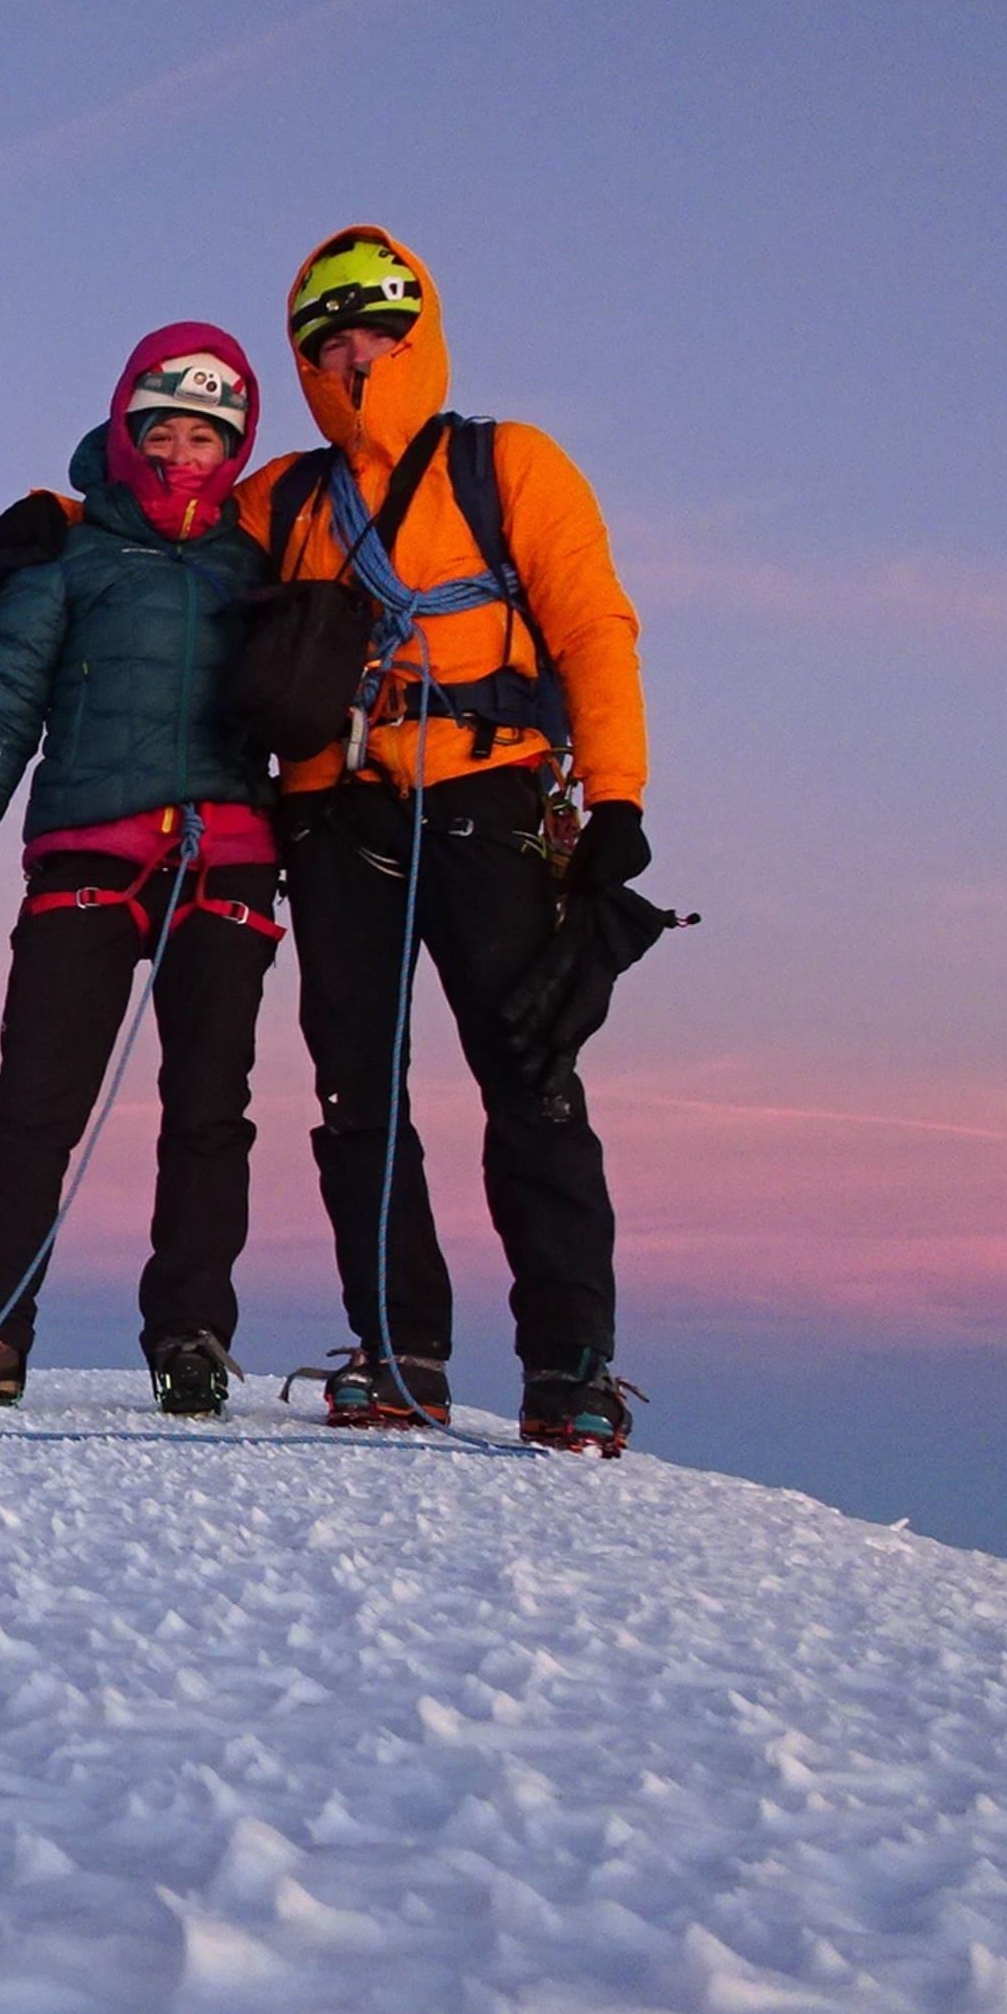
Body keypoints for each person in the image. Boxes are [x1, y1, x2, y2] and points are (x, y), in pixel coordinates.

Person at [237, 227, 655, 1456]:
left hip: (491, 804)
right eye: (332, 342)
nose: (355, 359)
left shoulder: (509, 464)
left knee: (533, 1076)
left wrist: (618, 800)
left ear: (419, 337)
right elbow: (169, 522)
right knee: (353, 1089)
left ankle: (569, 1365)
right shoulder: (288, 497)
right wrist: (49, 520)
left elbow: (592, 625)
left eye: (376, 335)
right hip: (335, 819)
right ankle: (397, 1349)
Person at [0, 325, 279, 1417]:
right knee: (34, 1105)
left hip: (230, 860)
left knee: (210, 1111)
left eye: (207, 436)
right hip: (84, 855)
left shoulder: (256, 563)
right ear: (124, 431)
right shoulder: (64, 556)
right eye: (162, 427)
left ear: (237, 449)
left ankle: (192, 1336)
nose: (182, 452)